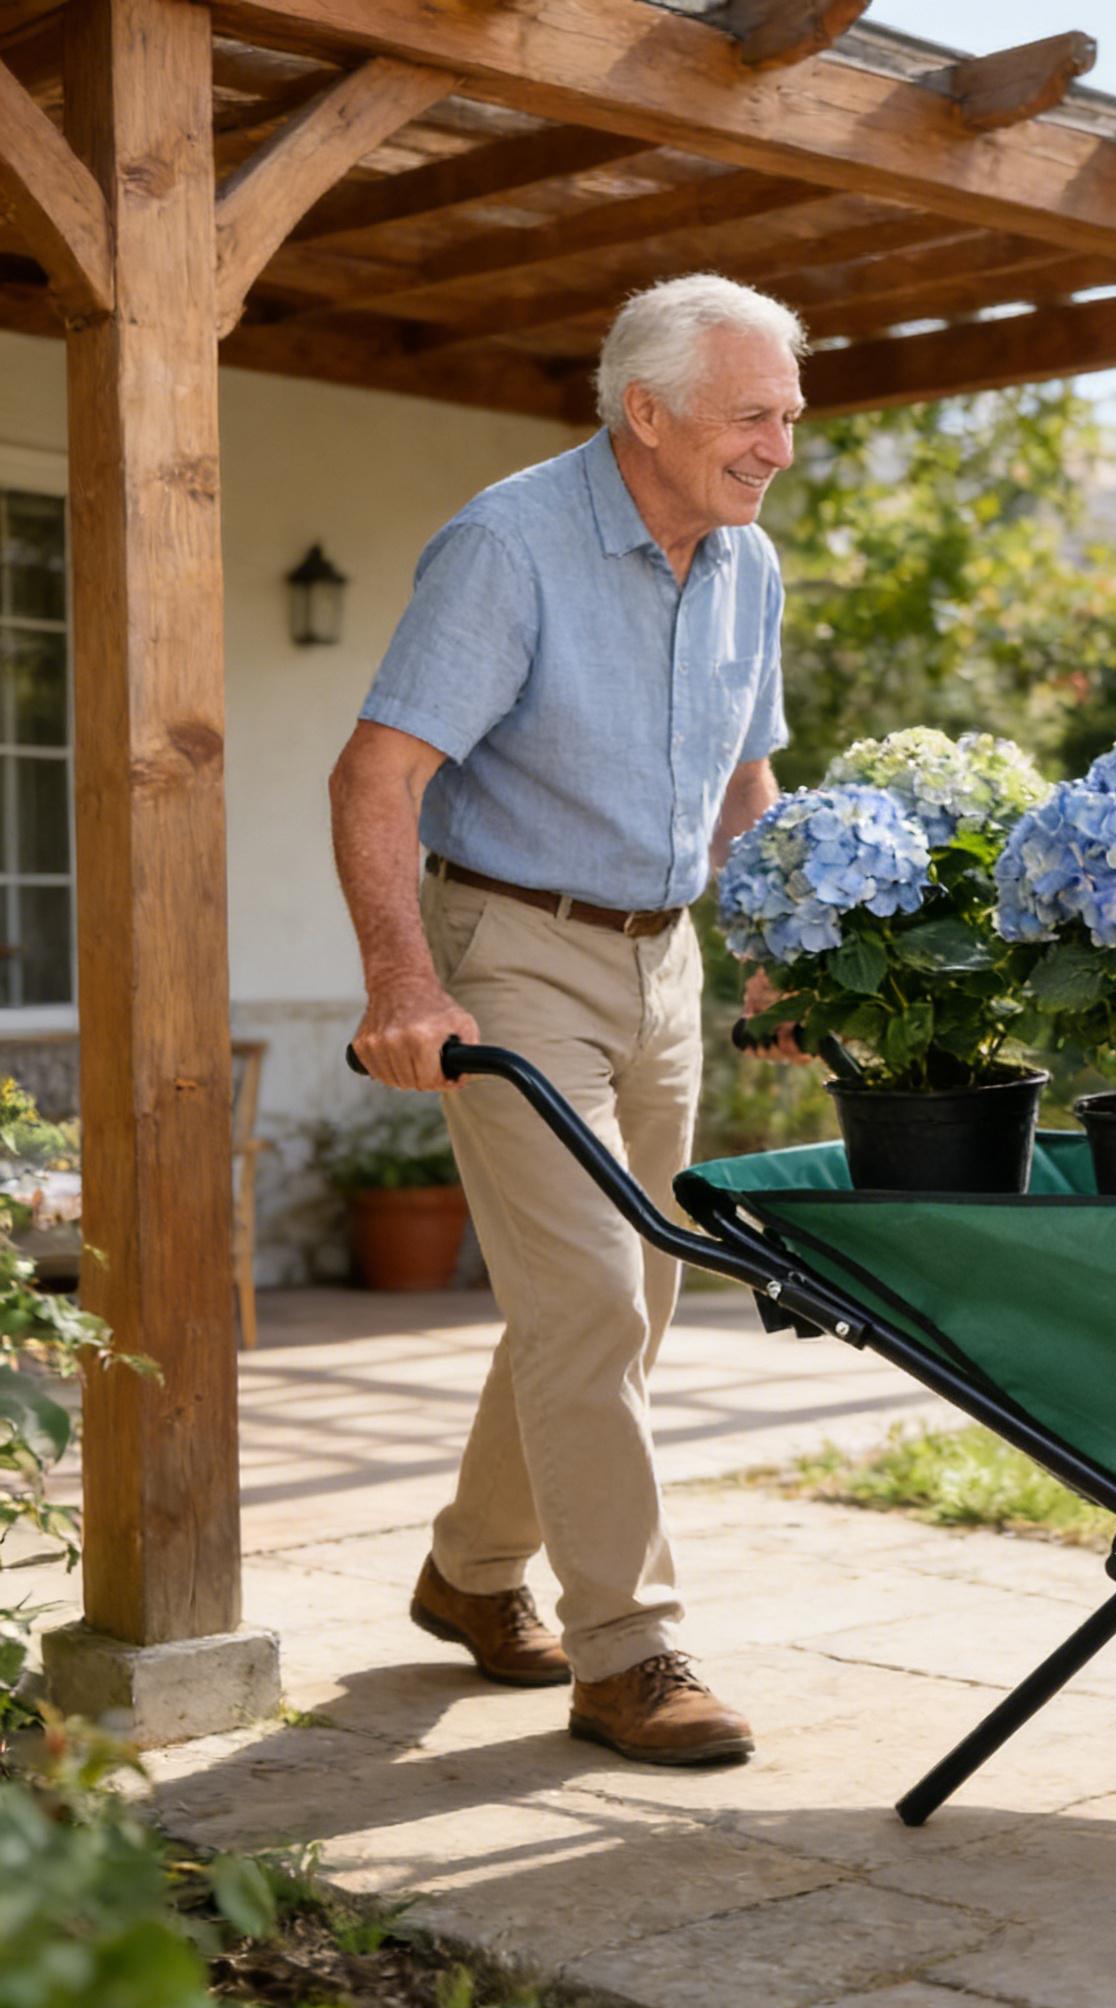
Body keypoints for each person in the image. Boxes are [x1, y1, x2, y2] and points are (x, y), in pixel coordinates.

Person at [330, 274, 808, 1766]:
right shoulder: (510, 544)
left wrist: (777, 953)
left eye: (790, 416)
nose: (779, 447)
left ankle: (471, 1575)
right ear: (646, 411)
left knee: (627, 1292)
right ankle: (632, 1649)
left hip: (660, 958)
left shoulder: (747, 563)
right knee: (596, 1291)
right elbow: (375, 780)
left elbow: (746, 783)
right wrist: (406, 983)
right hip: (515, 946)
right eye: (752, 415)